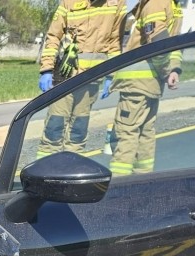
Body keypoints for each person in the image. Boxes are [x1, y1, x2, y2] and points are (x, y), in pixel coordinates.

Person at [36, 0, 128, 158]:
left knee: (78, 130)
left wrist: (112, 74)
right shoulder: (68, 2)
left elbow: (115, 42)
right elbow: (53, 36)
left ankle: (72, 166)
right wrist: (47, 69)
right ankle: (45, 167)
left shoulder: (116, 4)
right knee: (54, 127)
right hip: (64, 77)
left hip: (91, 79)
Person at [108, 0, 183, 175]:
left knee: (126, 133)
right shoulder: (174, 7)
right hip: (152, 85)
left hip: (136, 84)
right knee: (146, 132)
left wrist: (166, 72)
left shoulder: (155, 3)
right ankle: (143, 178)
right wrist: (173, 69)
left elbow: (159, 45)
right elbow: (174, 45)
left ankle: (119, 182)